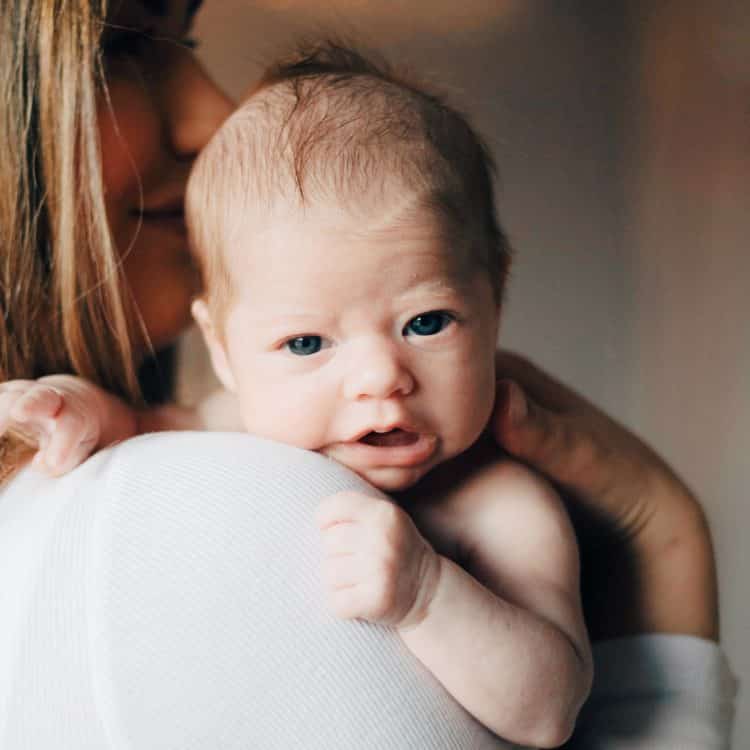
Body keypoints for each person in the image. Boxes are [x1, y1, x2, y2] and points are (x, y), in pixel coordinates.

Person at [0, 2, 736, 748]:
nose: (381, 380)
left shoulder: (500, 502)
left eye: (427, 323)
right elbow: (148, 429)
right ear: (223, 348)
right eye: (307, 342)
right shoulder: (230, 434)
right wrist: (80, 409)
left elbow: (549, 711)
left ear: (495, 299)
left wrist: (426, 594)